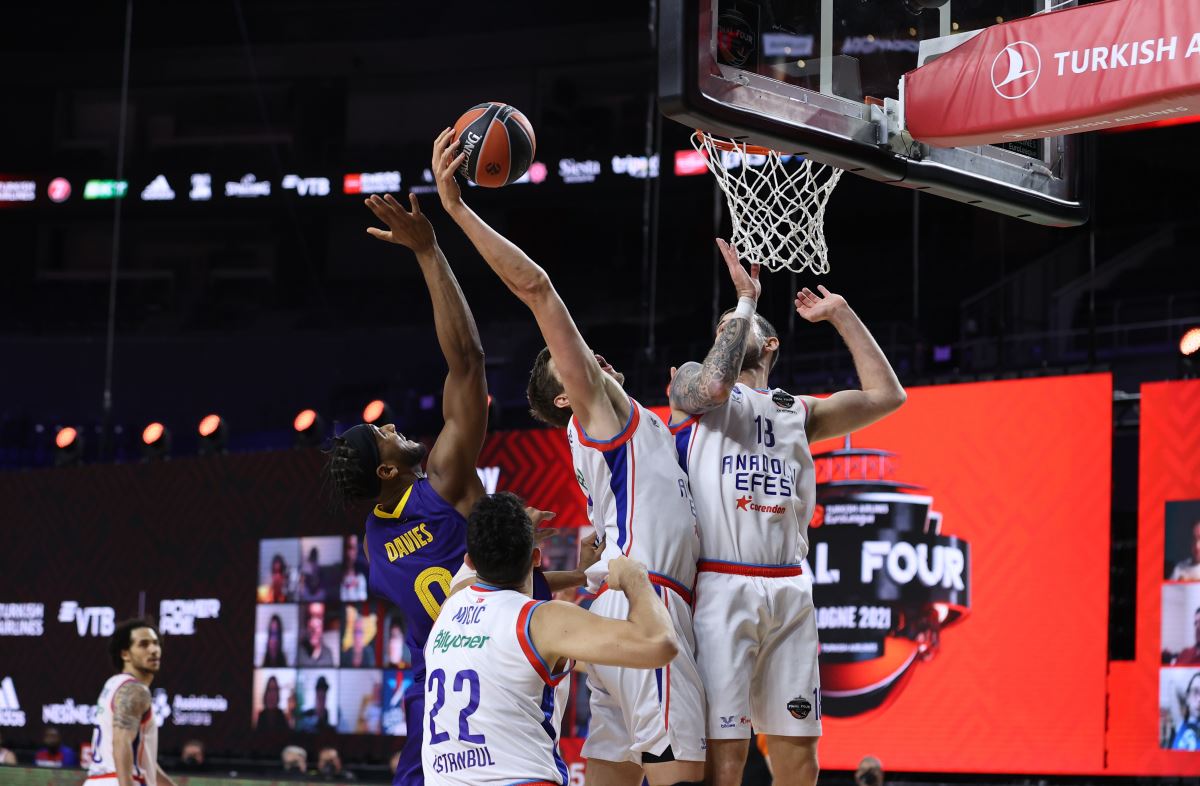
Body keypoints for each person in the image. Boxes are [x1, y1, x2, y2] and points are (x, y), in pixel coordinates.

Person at [434, 128, 708, 786]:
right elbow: (538, 289)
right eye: (571, 367)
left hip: (609, 614)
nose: (586, 360)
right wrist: (458, 208)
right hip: (648, 604)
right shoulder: (600, 416)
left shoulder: (607, 436)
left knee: (613, 772)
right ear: (566, 401)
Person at [668, 250, 906, 786]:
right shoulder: (692, 388)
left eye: (741, 327)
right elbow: (714, 383)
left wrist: (842, 315)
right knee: (724, 761)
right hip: (722, 585)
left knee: (800, 759)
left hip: (791, 589)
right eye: (724, 327)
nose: (730, 328)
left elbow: (888, 396)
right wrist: (746, 302)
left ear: (770, 344)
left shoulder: (798, 411)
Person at [322, 185, 490, 786]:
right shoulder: (441, 482)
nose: (394, 425)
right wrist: (428, 251)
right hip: (498, 676)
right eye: (385, 434)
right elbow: (467, 361)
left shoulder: (374, 540)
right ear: (388, 470)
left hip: (435, 693)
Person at [422, 492, 679, 785]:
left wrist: (580, 575)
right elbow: (659, 644)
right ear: (535, 558)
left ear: (470, 560)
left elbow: (491, 585)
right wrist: (635, 578)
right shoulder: (544, 620)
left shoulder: (451, 604)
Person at [83, 619, 176, 786]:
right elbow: (121, 742)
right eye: (143, 644)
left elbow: (146, 764)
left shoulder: (113, 684)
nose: (153, 650)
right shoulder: (135, 690)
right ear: (125, 654)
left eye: (156, 643)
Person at [298, 602, 335, 667]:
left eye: (319, 617)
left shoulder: (328, 655)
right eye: (310, 617)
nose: (313, 624)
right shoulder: (299, 653)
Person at [1171, 672, 1200, 750]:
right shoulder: (1180, 724)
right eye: (1195, 692)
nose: (1199, 699)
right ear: (1187, 697)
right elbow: (1173, 685)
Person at [341, 534, 369, 601]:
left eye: (352, 548)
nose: (348, 553)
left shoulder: (362, 578)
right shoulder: (336, 577)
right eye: (346, 547)